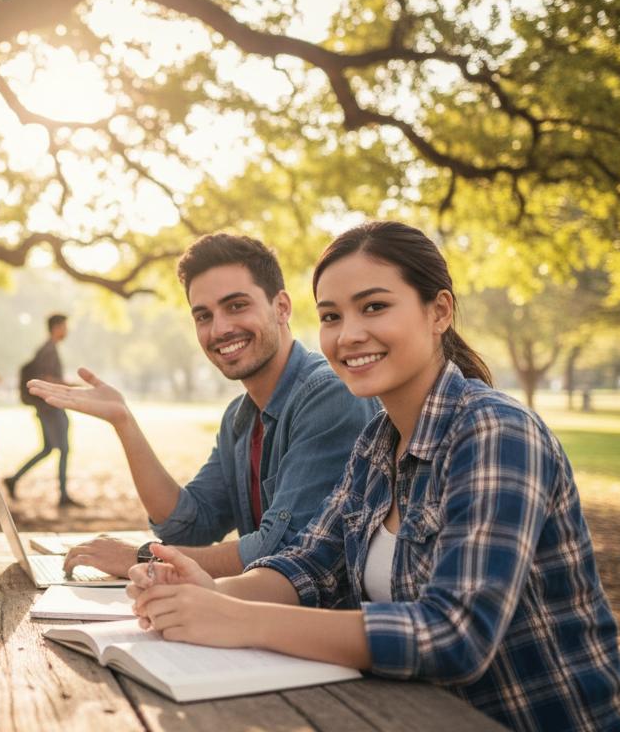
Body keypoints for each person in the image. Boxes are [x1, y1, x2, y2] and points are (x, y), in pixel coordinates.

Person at [126, 222, 620, 731]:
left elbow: (455, 634)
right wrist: (215, 589)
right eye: (331, 316)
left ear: (439, 312)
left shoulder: (495, 431)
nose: (348, 335)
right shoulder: (376, 443)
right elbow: (310, 566)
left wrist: (239, 619)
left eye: (374, 307)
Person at [31, 235, 376, 578]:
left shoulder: (329, 395)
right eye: (203, 316)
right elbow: (188, 526)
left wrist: (141, 559)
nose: (220, 329)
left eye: (237, 306)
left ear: (281, 307)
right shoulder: (240, 418)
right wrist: (124, 422)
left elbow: (283, 549)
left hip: (319, 627)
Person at [5, 314, 80, 506]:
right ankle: (63, 495)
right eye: (64, 326)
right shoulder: (48, 350)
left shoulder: (48, 349)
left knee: (48, 449)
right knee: (63, 449)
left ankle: (14, 479)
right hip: (51, 407)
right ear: (56, 327)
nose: (66, 330)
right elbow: (47, 378)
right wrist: (69, 385)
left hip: (48, 407)